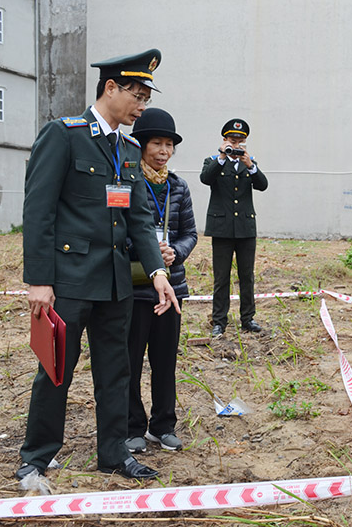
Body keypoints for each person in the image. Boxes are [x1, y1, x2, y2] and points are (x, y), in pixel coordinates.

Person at [19, 49, 180, 481]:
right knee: (55, 370)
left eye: (146, 95)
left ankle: (113, 453)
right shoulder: (64, 135)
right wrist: (38, 281)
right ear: (111, 88)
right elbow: (39, 211)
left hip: (116, 286)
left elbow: (140, 219)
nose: (142, 105)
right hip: (69, 282)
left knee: (116, 372)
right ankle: (36, 456)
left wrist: (158, 273)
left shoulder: (127, 150)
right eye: (138, 94)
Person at [126, 108, 197, 453]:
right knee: (131, 359)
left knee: (165, 360)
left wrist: (175, 254)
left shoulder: (178, 186)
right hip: (137, 287)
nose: (164, 150)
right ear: (141, 145)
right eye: (157, 143)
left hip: (173, 286)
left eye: (169, 144)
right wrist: (148, 252)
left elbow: (190, 233)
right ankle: (133, 427)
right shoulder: (127, 182)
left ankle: (162, 425)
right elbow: (120, 230)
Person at [201, 119, 268, 338]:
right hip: (222, 228)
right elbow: (205, 178)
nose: (236, 144)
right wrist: (222, 157)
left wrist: (251, 165)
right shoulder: (214, 161)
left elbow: (263, 185)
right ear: (224, 141)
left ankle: (247, 318)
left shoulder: (249, 163)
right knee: (222, 277)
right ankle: (219, 321)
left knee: (247, 275)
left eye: (240, 141)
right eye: (232, 140)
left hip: (245, 229)